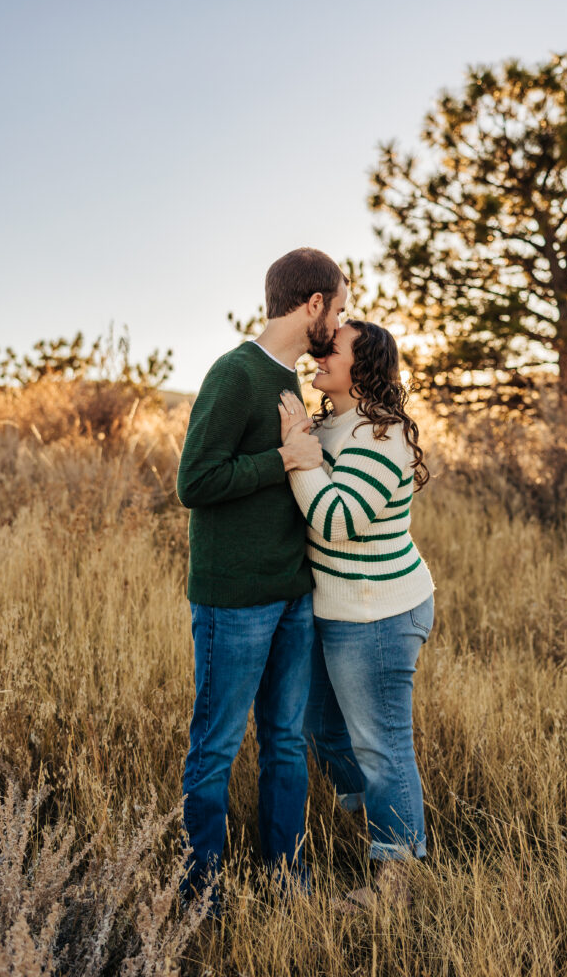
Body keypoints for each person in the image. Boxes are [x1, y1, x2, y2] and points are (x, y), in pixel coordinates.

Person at [176, 247, 347, 900]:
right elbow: (194, 481)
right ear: (312, 306)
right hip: (235, 601)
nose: (340, 319)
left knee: (283, 741)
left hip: (290, 593)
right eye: (339, 307)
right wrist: (282, 458)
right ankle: (203, 894)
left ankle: (286, 876)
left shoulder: (287, 379)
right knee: (216, 747)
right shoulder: (235, 373)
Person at [278, 320, 434, 908]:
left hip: (379, 616)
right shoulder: (333, 423)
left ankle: (398, 882)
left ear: (362, 367)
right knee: (321, 730)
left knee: (382, 747)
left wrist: (301, 458)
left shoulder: (379, 435)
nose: (318, 354)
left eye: (330, 349)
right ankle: (381, 818)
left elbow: (338, 520)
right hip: (337, 611)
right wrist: (305, 443)